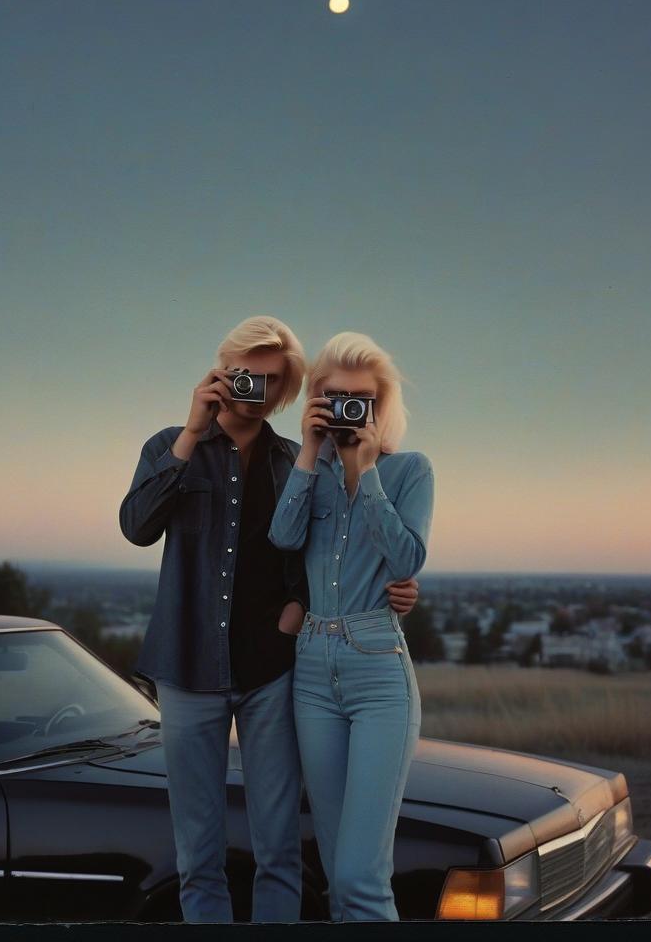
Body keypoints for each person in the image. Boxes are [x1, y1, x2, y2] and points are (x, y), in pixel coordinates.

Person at [118, 316, 420, 924]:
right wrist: (191, 432)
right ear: (222, 371)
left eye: (269, 381)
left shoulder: (293, 458)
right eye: (244, 376)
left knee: (278, 848)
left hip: (270, 674)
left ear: (286, 391)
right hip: (185, 666)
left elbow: (317, 560)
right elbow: (137, 527)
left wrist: (298, 617)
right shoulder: (168, 446)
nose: (255, 389)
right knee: (197, 852)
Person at [268, 331, 434, 923]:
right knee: (337, 876)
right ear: (316, 399)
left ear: (380, 404)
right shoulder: (304, 469)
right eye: (334, 397)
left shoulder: (410, 470)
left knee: (363, 879)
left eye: (359, 399)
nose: (347, 409)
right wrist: (312, 454)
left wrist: (364, 471)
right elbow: (283, 537)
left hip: (377, 669)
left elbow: (406, 560)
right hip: (311, 673)